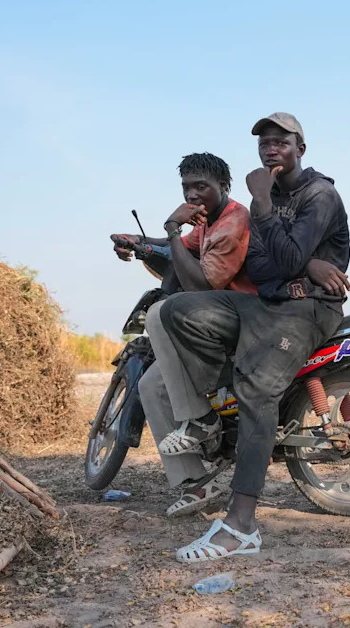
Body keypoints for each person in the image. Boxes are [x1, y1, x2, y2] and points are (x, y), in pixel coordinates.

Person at [157, 112, 350, 562]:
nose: (270, 149)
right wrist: (303, 261)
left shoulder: (319, 195)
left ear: (300, 148)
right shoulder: (265, 199)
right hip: (271, 302)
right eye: (264, 143)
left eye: (281, 142)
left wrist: (263, 204)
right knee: (178, 311)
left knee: (257, 390)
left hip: (308, 308)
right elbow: (264, 268)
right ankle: (209, 414)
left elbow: (281, 260)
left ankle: (241, 526)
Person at [110, 152, 256, 517]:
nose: (192, 195)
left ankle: (200, 418)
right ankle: (195, 482)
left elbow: (201, 282)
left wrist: (174, 229)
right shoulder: (205, 221)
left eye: (201, 187)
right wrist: (138, 240)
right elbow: (177, 248)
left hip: (237, 323)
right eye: (187, 188)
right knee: (150, 387)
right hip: (211, 320)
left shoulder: (233, 222)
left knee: (162, 312)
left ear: (224, 187)